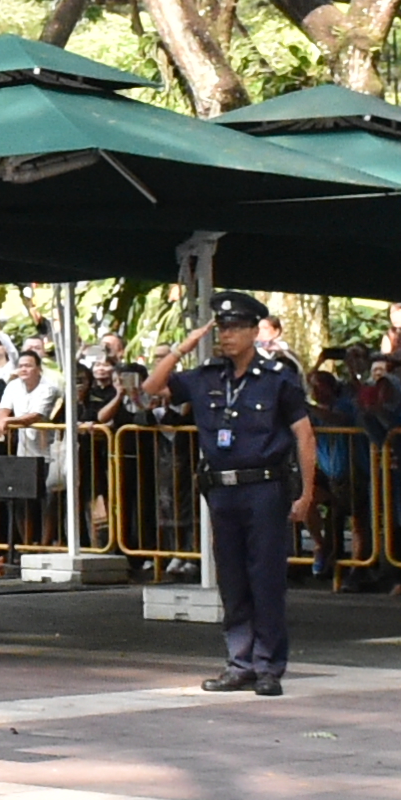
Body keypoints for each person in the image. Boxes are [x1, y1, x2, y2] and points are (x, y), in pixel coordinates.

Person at [165, 294, 315, 695]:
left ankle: (268, 667)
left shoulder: (277, 377)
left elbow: (304, 435)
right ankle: (239, 662)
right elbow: (152, 386)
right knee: (231, 579)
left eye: (234, 328)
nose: (226, 335)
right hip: (222, 489)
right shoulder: (207, 375)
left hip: (264, 486)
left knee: (265, 577)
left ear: (254, 331)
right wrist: (185, 346)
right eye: (222, 328)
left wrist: (305, 493)